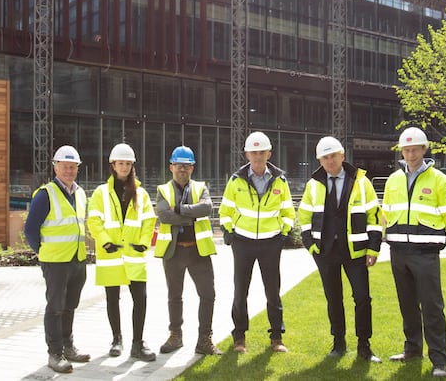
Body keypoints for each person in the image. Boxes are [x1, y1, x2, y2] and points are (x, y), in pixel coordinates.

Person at [383, 127, 446, 379]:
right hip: (398, 252)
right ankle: (412, 350)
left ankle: (439, 360)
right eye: (406, 150)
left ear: (424, 149)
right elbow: (385, 213)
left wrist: (439, 244)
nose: (410, 154)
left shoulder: (439, 180)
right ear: (401, 151)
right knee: (407, 305)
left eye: (415, 149)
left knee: (432, 307)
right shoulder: (393, 180)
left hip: (425, 254)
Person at [297, 136, 383, 363]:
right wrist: (310, 245)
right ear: (320, 161)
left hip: (356, 251)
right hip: (325, 252)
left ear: (342, 155)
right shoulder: (313, 184)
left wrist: (373, 248)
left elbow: (374, 216)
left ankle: (364, 346)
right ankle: (338, 343)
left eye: (333, 155)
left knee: (362, 298)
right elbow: (304, 216)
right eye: (325, 157)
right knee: (333, 299)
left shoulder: (361, 182)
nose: (330, 160)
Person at [218, 130, 295, 354]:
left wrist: (283, 234)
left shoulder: (280, 180)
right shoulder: (236, 180)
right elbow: (225, 210)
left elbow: (288, 211)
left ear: (269, 154)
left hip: (271, 243)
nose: (258, 156)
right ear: (247, 155)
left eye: (262, 152)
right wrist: (229, 231)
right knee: (240, 290)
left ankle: (277, 338)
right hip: (242, 242)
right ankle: (239, 338)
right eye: (254, 152)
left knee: (273, 291)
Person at [23, 145, 91, 375]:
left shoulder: (80, 193)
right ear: (56, 168)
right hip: (55, 262)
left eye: (73, 167)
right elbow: (30, 230)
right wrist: (43, 252)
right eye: (65, 167)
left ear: (77, 168)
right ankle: (55, 353)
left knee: (70, 305)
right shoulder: (45, 194)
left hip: (77, 259)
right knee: (55, 307)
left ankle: (68, 346)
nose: (69, 171)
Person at [87, 143, 158, 362]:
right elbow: (94, 221)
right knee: (112, 298)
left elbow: (149, 221)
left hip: (134, 254)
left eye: (128, 163)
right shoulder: (100, 193)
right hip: (111, 255)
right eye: (121, 163)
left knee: (141, 299)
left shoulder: (141, 194)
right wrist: (105, 241)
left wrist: (144, 243)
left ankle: (138, 344)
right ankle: (116, 339)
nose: (124, 167)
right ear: (113, 165)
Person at [153, 145, 221, 356]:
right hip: (174, 252)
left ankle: (204, 339)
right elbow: (164, 215)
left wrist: (179, 209)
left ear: (192, 168)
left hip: (198, 251)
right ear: (171, 167)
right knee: (174, 296)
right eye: (179, 165)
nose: (182, 169)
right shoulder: (163, 190)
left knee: (208, 294)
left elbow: (207, 208)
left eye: (186, 165)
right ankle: (175, 335)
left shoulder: (201, 188)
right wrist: (191, 216)